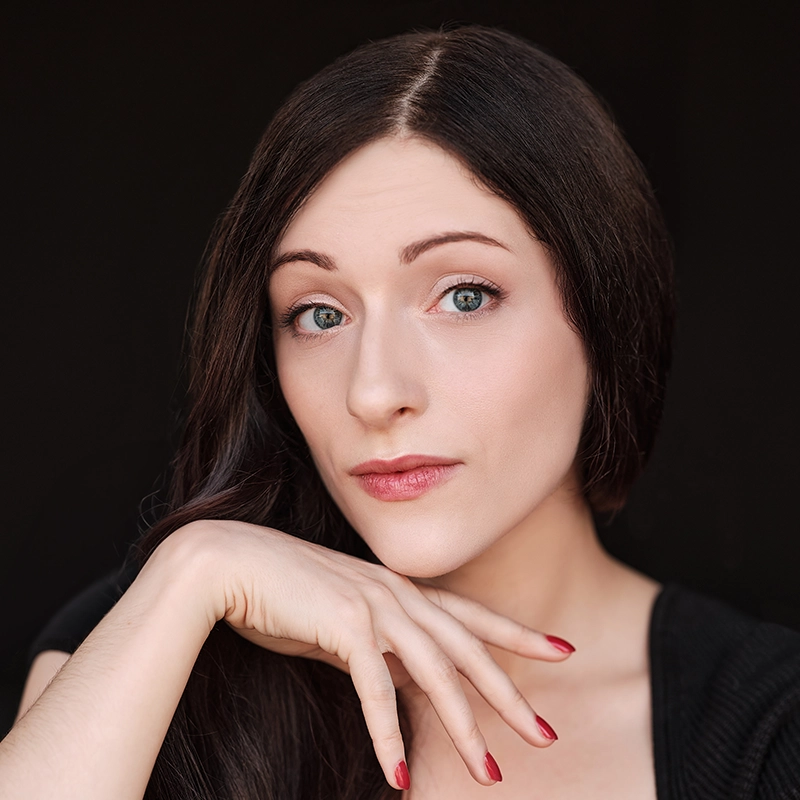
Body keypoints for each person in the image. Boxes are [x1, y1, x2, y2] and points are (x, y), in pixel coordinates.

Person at [2, 24, 799, 800]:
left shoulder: (768, 727)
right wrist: (191, 571)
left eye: (463, 296)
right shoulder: (150, 638)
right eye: (319, 314)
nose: (374, 393)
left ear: (606, 313)